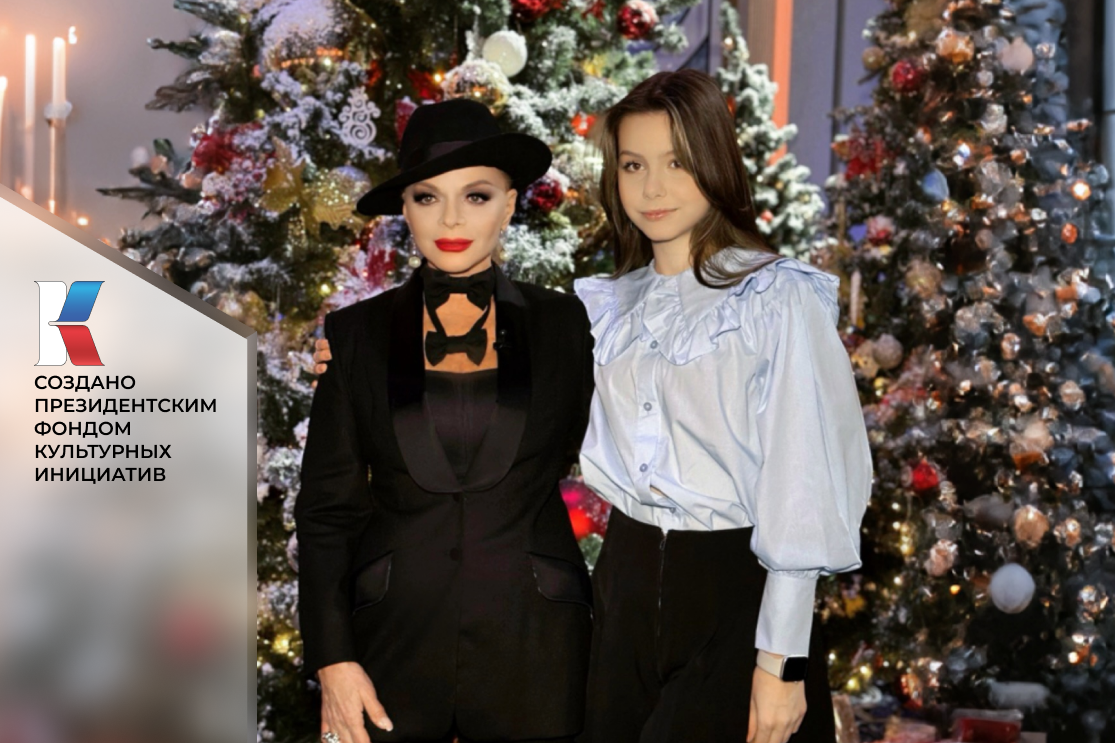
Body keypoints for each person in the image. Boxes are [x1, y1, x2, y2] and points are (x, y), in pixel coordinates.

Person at [570, 69, 872, 743]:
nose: (651, 188)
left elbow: (804, 476)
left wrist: (781, 661)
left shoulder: (777, 299)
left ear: (713, 161)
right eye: (633, 165)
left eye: (676, 162)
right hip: (623, 581)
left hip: (736, 590)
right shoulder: (608, 307)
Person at [296, 97, 595, 743]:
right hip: (389, 648)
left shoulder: (567, 325)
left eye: (476, 196)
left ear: (509, 205)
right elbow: (326, 512)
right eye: (428, 198)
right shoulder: (353, 335)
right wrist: (332, 656)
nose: (451, 218)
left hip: (537, 647)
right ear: (404, 209)